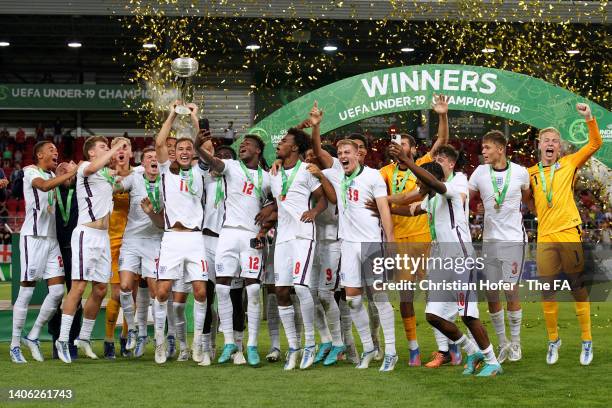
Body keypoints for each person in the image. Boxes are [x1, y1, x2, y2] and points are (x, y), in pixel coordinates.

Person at [389, 142, 502, 377]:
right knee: (433, 316)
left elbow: (433, 183)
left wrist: (409, 162)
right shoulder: (430, 201)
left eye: (422, 180)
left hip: (462, 261)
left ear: (430, 179)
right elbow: (409, 210)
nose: (418, 184)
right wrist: (381, 208)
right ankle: (472, 351)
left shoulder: (448, 192)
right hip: (444, 265)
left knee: (469, 315)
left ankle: (492, 362)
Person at [526, 103, 601, 366]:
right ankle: (553, 340)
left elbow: (594, 145)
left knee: (577, 287)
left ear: (559, 147)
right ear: (539, 144)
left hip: (569, 232)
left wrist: (589, 118)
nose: (551, 144)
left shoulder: (569, 164)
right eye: (546, 140)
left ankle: (587, 340)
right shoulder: (531, 174)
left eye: (555, 141)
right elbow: (529, 201)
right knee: (547, 291)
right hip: (545, 236)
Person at [377, 94, 450, 367]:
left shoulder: (423, 165)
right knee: (406, 297)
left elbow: (441, 141)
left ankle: (445, 348)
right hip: (401, 240)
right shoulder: (383, 172)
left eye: (404, 143)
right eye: (396, 143)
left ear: (415, 149)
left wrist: (442, 114)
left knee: (435, 295)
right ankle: (413, 348)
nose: (398, 146)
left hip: (425, 238)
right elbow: (379, 199)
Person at [319, 138, 398, 371]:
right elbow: (308, 163)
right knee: (353, 300)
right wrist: (277, 164)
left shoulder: (372, 176)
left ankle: (391, 351)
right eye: (339, 152)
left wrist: (391, 241)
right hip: (347, 244)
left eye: (347, 152)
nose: (342, 156)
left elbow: (384, 209)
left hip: (371, 244)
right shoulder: (335, 175)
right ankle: (369, 348)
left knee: (379, 298)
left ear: (357, 154)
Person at [197, 128, 272, 368]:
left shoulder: (268, 178)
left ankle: (250, 345)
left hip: (251, 236)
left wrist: (267, 218)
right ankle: (229, 341)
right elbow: (213, 161)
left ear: (258, 150)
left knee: (251, 291)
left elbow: (279, 203)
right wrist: (199, 147)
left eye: (248, 144)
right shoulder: (233, 167)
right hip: (227, 233)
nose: (243, 146)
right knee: (221, 287)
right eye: (242, 144)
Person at [54, 136, 128, 363]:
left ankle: (84, 338)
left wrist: (124, 160)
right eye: (103, 147)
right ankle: (63, 339)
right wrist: (115, 147)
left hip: (103, 237)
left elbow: (122, 178)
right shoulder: (86, 166)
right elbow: (96, 167)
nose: (108, 149)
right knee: (78, 287)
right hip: (86, 234)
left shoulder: (105, 175)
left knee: (99, 290)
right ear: (92, 152)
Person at [10, 141, 78, 363]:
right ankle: (14, 344)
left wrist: (69, 174)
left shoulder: (52, 174)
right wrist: (67, 173)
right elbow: (44, 186)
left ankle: (34, 335)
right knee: (27, 291)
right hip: (33, 238)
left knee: (58, 291)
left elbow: (58, 193)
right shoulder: (30, 171)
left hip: (52, 240)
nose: (55, 152)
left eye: (56, 150)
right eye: (51, 150)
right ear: (39, 154)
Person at [268, 128, 328, 370]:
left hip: (303, 234)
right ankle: (293, 346)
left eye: (283, 141)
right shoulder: (274, 171)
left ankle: (310, 344)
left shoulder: (307, 170)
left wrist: (314, 211)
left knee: (301, 287)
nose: (279, 144)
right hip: (283, 236)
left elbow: (323, 198)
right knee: (281, 291)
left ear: (294, 147)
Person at [153, 101, 208, 365]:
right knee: (162, 292)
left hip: (195, 239)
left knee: (200, 292)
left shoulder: (199, 170)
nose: (184, 151)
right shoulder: (165, 171)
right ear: (174, 153)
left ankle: (198, 345)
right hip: (172, 238)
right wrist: (174, 113)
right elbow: (160, 142)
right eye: (180, 149)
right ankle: (160, 344)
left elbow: (207, 146)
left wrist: (195, 117)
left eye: (189, 148)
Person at [468, 130, 531, 363]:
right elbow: (467, 197)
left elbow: (526, 196)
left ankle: (516, 343)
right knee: (492, 293)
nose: (483, 152)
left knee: (511, 290)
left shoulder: (521, 173)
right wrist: (475, 208)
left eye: (487, 148)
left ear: (500, 149)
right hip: (490, 242)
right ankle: (503, 342)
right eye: (482, 148)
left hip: (513, 240)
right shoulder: (479, 173)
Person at [115, 146, 165, 357]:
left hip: (155, 240)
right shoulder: (134, 179)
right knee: (125, 287)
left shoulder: (166, 182)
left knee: (156, 293)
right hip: (132, 241)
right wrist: (115, 178)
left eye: (156, 157)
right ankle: (133, 330)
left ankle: (160, 338)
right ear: (142, 164)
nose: (153, 160)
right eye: (149, 158)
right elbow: (116, 188)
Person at [48, 160, 82, 360]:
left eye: (69, 172)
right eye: (61, 171)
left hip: (76, 250)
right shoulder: (50, 192)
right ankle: (55, 339)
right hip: (54, 250)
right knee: (55, 296)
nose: (65, 174)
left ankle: (72, 339)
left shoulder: (80, 190)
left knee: (75, 295)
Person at [104, 136, 134, 359]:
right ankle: (108, 340)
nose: (121, 151)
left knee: (131, 294)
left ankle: (126, 338)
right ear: (112, 154)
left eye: (126, 147)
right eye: (117, 148)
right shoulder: (104, 176)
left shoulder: (141, 175)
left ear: (131, 152)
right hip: (112, 241)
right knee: (116, 293)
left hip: (135, 241)